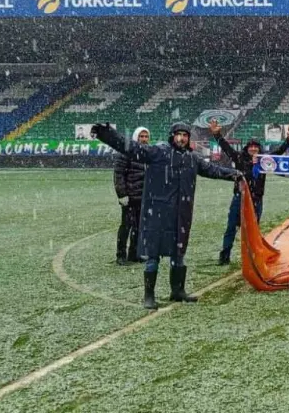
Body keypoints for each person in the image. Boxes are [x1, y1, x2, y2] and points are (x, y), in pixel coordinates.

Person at [92, 122, 242, 309]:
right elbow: (131, 148)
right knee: (153, 256)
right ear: (172, 136)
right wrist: (107, 134)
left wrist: (234, 174)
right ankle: (149, 295)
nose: (181, 138)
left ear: (188, 138)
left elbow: (212, 170)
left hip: (181, 215)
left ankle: (177, 291)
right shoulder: (158, 153)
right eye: (178, 134)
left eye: (185, 135)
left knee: (178, 255)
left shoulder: (192, 158)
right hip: (157, 215)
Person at [210, 120, 289, 265]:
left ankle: (253, 256)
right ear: (247, 148)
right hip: (240, 198)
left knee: (253, 230)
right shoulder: (239, 158)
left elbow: (278, 152)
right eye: (251, 147)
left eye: (256, 147)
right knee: (231, 227)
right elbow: (226, 147)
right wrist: (217, 134)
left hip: (256, 200)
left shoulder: (265, 161)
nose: (253, 149)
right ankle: (224, 256)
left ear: (259, 149)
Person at [112, 126, 149, 265]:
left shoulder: (148, 153)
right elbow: (118, 174)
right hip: (129, 198)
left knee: (139, 227)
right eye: (141, 136)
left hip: (143, 197)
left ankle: (134, 254)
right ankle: (121, 255)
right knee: (126, 226)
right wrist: (122, 195)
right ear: (136, 137)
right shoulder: (126, 152)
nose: (144, 139)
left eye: (146, 137)